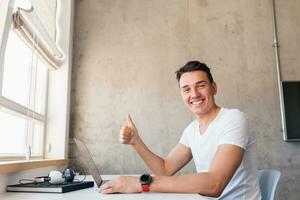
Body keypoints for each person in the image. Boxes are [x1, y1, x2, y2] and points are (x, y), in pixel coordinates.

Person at [98, 61, 262, 199]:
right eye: (187, 89)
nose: (194, 94)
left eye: (201, 85)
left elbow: (215, 184)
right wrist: (136, 141)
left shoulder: (233, 119)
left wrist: (140, 183)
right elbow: (165, 170)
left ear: (214, 88)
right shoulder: (191, 131)